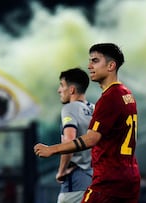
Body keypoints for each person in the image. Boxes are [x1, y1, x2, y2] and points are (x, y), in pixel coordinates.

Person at [34, 43, 141, 203]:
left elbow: (91, 139)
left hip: (108, 181)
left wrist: (52, 149)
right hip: (129, 176)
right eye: (90, 61)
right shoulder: (127, 95)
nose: (89, 66)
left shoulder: (108, 98)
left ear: (111, 65)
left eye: (95, 61)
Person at [56, 67, 94, 203]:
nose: (59, 90)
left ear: (71, 90)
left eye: (62, 85)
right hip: (96, 181)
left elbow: (69, 140)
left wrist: (61, 171)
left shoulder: (70, 108)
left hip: (75, 181)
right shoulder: (95, 109)